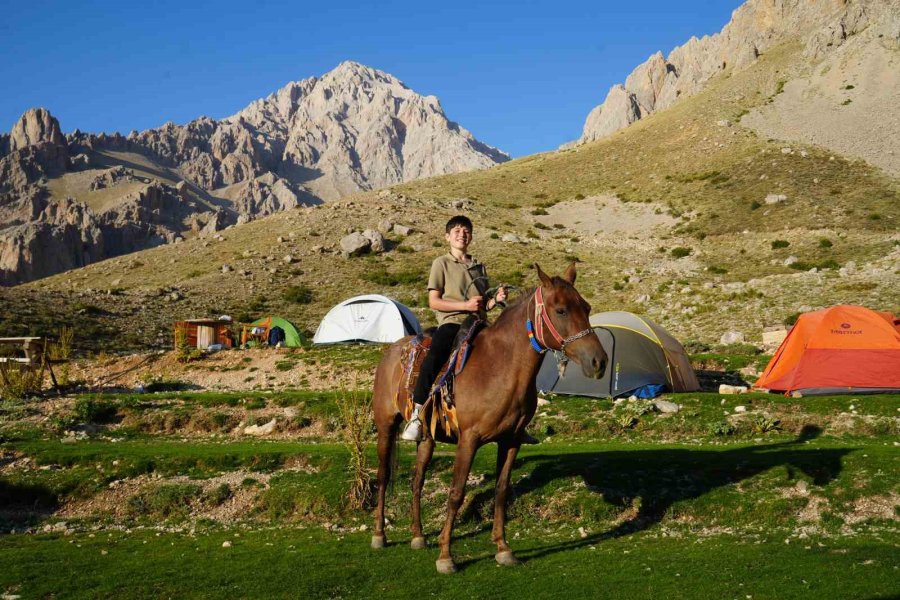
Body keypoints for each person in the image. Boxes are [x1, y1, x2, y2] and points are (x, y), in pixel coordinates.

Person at [401, 215, 507, 442]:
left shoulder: (479, 267)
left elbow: (483, 305)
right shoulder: (441, 263)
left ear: (471, 236)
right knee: (435, 355)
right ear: (447, 237)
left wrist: (495, 300)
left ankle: (511, 419)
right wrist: (465, 306)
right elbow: (434, 302)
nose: (462, 234)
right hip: (453, 321)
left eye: (466, 231)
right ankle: (417, 414)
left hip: (479, 323)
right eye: (457, 231)